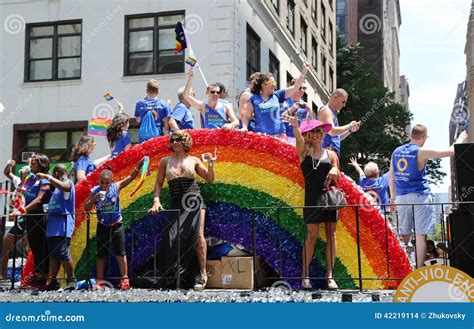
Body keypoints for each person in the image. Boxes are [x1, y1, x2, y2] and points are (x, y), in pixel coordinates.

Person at [389, 125, 468, 268]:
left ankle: (399, 267)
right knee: (420, 235)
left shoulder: (396, 152)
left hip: (401, 198)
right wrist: (461, 137)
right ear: (423, 137)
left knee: (404, 234)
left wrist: (392, 198)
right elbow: (451, 151)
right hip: (420, 196)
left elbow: (391, 175)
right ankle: (418, 269)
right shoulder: (421, 152)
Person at [149, 130, 215, 290]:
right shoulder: (165, 161)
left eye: (178, 139)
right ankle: (177, 277)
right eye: (172, 140)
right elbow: (158, 184)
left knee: (198, 236)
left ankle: (203, 274)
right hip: (176, 203)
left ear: (184, 141)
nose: (175, 142)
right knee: (172, 239)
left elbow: (210, 178)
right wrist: (156, 201)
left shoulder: (194, 160)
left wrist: (211, 163)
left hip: (194, 201)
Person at [287, 115, 339, 290]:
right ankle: (305, 274)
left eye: (319, 131)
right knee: (312, 236)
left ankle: (330, 276)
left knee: (331, 236)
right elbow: (299, 141)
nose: (316, 134)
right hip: (311, 198)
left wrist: (333, 168)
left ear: (323, 133)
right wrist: (295, 126)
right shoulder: (304, 152)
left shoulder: (331, 153)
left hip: (328, 197)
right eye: (313, 131)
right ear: (308, 134)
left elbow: (337, 172)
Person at [84, 159, 144, 290]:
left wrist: (138, 165)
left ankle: (124, 279)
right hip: (102, 225)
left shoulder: (116, 187)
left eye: (107, 183)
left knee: (121, 253)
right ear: (98, 181)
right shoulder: (95, 190)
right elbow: (86, 207)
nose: (104, 185)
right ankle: (99, 281)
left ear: (111, 181)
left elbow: (131, 178)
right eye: (102, 182)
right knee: (101, 254)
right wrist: (94, 199)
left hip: (117, 224)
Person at [9, 154, 52, 288]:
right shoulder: (32, 178)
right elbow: (22, 191)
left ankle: (44, 277)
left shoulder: (45, 180)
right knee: (34, 246)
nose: (30, 166)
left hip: (40, 216)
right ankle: (37, 275)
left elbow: (39, 199)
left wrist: (21, 211)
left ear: (41, 165)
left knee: (41, 247)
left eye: (34, 164)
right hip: (30, 217)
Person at [242, 62, 309, 140]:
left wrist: (304, 72)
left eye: (275, 82)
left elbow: (295, 86)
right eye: (272, 83)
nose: (275, 85)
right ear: (263, 85)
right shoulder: (253, 99)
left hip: (279, 137)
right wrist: (244, 127)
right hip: (261, 137)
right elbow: (247, 116)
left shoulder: (277, 95)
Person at [37, 165, 77, 291]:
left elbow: (64, 186)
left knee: (62, 253)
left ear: (56, 172)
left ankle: (72, 280)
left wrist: (46, 177)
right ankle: (54, 281)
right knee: (54, 255)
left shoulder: (67, 184)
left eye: (53, 174)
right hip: (52, 226)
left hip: (62, 226)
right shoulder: (56, 190)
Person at [1, 160, 31, 279]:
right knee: (5, 244)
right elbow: (7, 172)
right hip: (19, 220)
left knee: (28, 249)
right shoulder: (18, 180)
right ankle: (3, 275)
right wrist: (9, 164)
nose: (25, 169)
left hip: (29, 219)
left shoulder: (35, 182)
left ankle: (30, 276)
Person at [317, 89, 360, 157]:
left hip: (331, 152)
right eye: (343, 102)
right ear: (335, 97)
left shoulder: (332, 114)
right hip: (326, 152)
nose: (344, 105)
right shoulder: (326, 110)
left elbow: (337, 137)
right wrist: (349, 126)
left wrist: (350, 130)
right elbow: (332, 131)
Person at [281, 79, 312, 145]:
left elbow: (308, 126)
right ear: (293, 87)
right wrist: (290, 110)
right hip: (284, 137)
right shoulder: (283, 101)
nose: (302, 90)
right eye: (300, 88)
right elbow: (277, 119)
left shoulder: (305, 105)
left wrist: (310, 112)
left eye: (304, 88)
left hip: (298, 140)